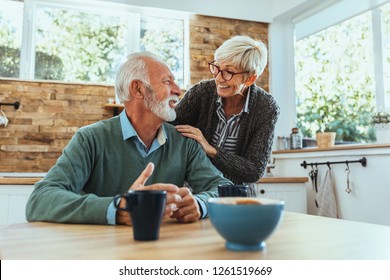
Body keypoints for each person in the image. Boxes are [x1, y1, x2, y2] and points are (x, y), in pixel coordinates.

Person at [26, 51, 232, 226]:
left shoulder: (185, 142)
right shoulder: (90, 139)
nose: (178, 91)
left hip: (165, 252)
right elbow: (39, 200)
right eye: (167, 81)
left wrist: (200, 204)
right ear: (138, 89)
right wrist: (118, 208)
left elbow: (226, 191)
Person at [173, 36, 279, 193]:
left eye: (229, 72)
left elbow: (254, 170)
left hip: (236, 197)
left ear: (250, 79)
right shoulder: (202, 92)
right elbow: (169, 128)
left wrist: (211, 150)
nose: (218, 77)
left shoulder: (266, 107)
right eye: (216, 67)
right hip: (196, 193)